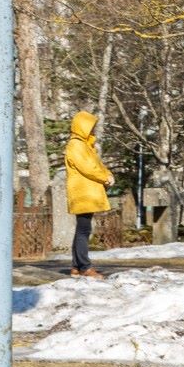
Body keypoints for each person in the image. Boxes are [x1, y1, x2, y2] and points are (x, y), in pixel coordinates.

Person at [63, 111, 114, 280]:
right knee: (84, 230)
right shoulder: (76, 145)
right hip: (83, 194)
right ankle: (85, 267)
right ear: (82, 127)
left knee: (82, 229)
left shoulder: (84, 145)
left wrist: (107, 174)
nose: (92, 130)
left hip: (86, 193)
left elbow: (96, 164)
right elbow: (88, 168)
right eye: (90, 127)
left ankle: (76, 267)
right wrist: (105, 177)